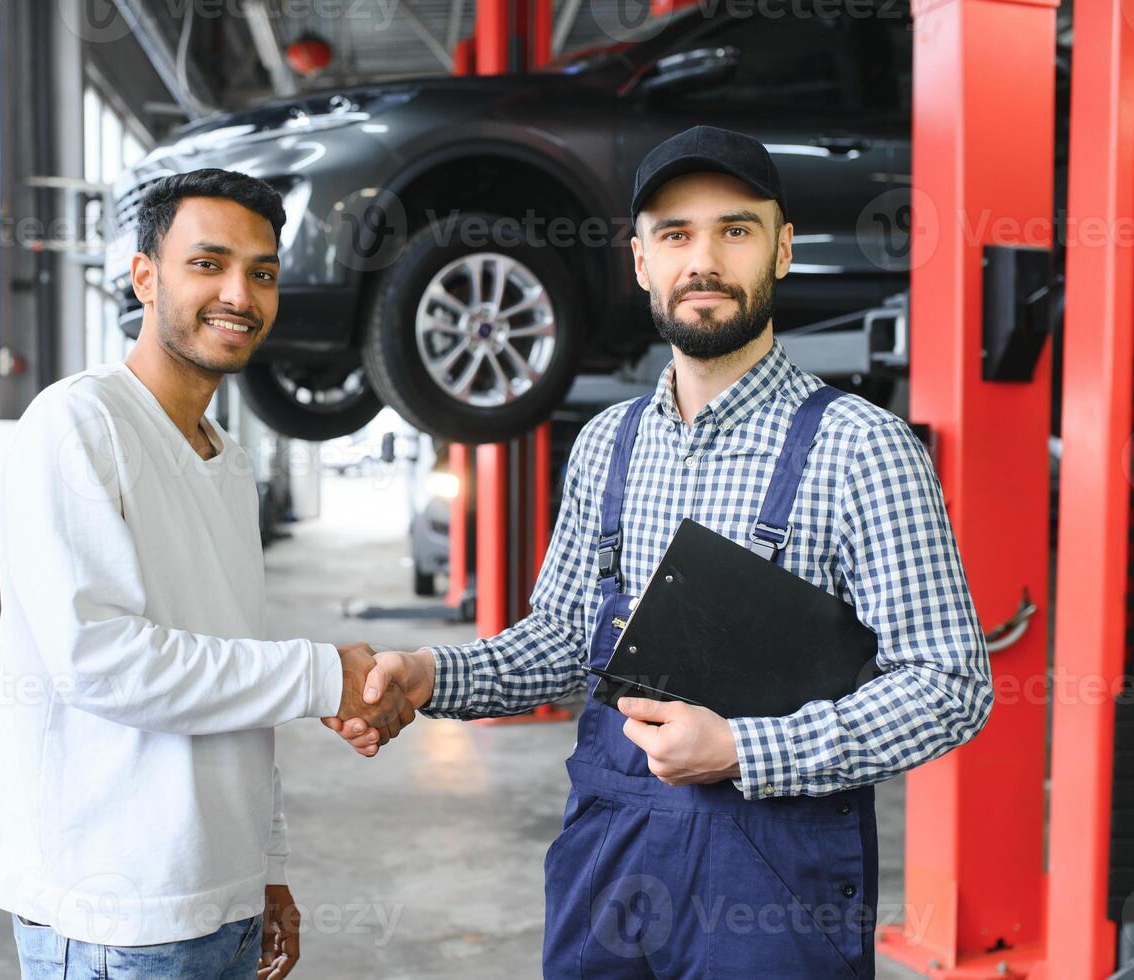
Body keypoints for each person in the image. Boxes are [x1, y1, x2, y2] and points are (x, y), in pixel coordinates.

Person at [332, 126, 994, 977]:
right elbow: (567, 640)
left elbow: (949, 684)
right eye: (675, 234)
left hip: (772, 878)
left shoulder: (861, 449)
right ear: (639, 260)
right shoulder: (607, 444)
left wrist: (750, 752)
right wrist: (430, 674)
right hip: (609, 850)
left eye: (736, 230)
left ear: (782, 250)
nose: (703, 260)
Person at [0, 169, 413, 980]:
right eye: (207, 263)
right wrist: (324, 676)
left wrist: (260, 867)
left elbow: (227, 666)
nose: (239, 294)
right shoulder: (77, 425)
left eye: (263, 272)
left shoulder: (228, 460)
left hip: (215, 894)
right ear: (146, 277)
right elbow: (103, 662)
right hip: (118, 912)